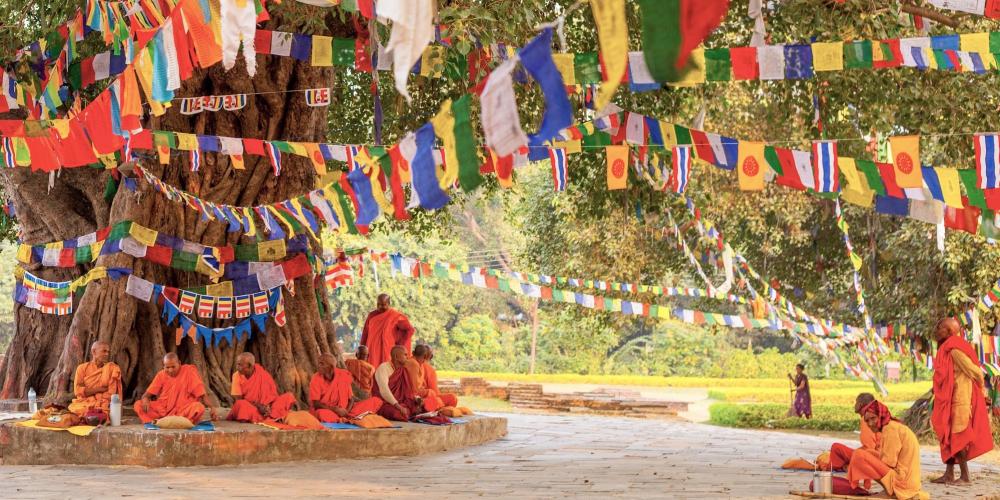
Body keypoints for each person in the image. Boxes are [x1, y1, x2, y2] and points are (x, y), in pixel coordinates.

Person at [930, 317, 994, 484]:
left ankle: (965, 477)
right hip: (948, 399)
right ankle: (949, 474)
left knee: (959, 436)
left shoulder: (955, 350)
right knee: (947, 435)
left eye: (940, 328)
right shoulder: (945, 348)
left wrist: (980, 392)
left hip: (961, 399)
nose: (937, 330)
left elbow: (977, 372)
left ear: (950, 332)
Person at [846, 401, 928, 499]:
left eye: (873, 418)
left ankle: (891, 492)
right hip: (908, 480)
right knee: (867, 453)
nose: (870, 423)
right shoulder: (890, 426)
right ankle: (889, 489)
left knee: (859, 455)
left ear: (881, 415)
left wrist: (869, 461)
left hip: (903, 482)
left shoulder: (890, 429)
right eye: (867, 421)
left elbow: (889, 462)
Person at [134, 353, 218, 424]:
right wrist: (145, 400)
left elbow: (202, 394)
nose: (170, 370)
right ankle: (158, 422)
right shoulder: (161, 375)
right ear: (163, 366)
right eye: (167, 367)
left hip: (182, 410)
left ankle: (172, 422)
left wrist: (212, 408)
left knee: (199, 407)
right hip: (163, 410)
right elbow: (146, 395)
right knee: (138, 405)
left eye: (173, 367)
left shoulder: (189, 371)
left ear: (179, 363)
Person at [308, 353, 383, 423]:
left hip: (346, 410)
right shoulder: (316, 378)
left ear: (331, 367)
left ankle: (347, 418)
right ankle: (351, 418)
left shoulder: (342, 375)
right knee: (322, 414)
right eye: (318, 363)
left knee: (376, 401)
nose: (318, 365)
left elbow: (351, 399)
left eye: (322, 364)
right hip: (328, 410)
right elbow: (316, 404)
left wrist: (345, 412)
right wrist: (335, 409)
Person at [227, 352, 297, 423]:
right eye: (237, 364)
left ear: (249, 366)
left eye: (240, 365)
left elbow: (272, 395)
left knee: (288, 397)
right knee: (241, 405)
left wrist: (267, 407)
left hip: (267, 407)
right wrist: (258, 406)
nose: (237, 367)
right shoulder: (236, 376)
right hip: (252, 407)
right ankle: (273, 417)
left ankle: (270, 415)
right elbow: (238, 399)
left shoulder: (262, 373)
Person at [825, 393, 879, 471]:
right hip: (879, 457)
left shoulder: (867, 419)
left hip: (873, 459)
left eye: (856, 402)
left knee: (836, 447)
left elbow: (870, 447)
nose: (854, 405)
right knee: (846, 453)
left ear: (860, 404)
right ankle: (847, 465)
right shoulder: (875, 416)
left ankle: (832, 467)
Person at [360, 294, 415, 370]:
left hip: (387, 350)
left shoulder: (396, 316)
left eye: (383, 305)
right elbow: (365, 333)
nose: (380, 307)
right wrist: (362, 349)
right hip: (372, 351)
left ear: (389, 303)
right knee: (372, 372)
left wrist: (400, 344)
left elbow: (409, 330)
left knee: (386, 373)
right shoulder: (371, 315)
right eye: (378, 304)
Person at [68, 341, 122, 417]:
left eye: (108, 352)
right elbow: (78, 391)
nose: (107, 354)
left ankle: (95, 415)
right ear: (94, 351)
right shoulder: (82, 368)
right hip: (85, 403)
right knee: (75, 408)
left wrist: (91, 392)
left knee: (106, 411)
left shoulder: (112, 368)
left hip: (104, 404)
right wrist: (100, 389)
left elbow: (111, 392)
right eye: (104, 351)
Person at [373, 345, 420, 421]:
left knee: (417, 407)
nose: (407, 357)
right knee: (397, 413)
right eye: (405, 354)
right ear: (396, 356)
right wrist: (399, 406)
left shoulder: (403, 370)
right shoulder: (383, 368)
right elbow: (384, 390)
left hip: (399, 402)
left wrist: (416, 399)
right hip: (383, 402)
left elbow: (407, 391)